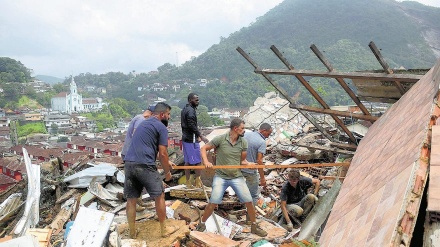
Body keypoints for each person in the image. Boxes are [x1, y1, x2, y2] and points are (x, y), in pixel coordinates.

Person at [195, 118, 267, 237]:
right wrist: (206, 161)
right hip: (221, 176)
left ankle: (254, 226)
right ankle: (202, 224)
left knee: (249, 201)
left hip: (236, 176)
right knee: (213, 202)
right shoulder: (221, 139)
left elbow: (242, 161)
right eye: (242, 128)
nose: (244, 130)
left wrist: (249, 164)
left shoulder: (243, 142)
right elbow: (203, 148)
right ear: (235, 128)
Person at [123, 102, 177, 238]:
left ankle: (132, 232)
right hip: (145, 165)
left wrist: (167, 162)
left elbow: (153, 149)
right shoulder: (161, 127)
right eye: (168, 114)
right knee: (159, 195)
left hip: (129, 164)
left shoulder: (143, 124)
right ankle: (164, 230)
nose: (169, 117)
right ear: (162, 114)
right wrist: (168, 173)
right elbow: (163, 153)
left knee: (131, 199)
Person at [242, 123, 272, 223]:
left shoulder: (246, 135)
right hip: (250, 171)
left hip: (238, 168)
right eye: (268, 133)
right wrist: (262, 178)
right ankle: (250, 219)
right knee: (254, 195)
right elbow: (259, 161)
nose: (269, 136)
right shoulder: (262, 142)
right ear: (263, 131)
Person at [181, 93, 209, 188]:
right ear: (190, 100)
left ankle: (188, 182)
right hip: (191, 139)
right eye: (196, 100)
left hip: (185, 138)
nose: (198, 101)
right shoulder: (190, 111)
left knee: (187, 161)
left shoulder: (185, 109)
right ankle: (198, 182)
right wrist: (201, 136)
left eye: (198, 99)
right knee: (198, 162)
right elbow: (192, 125)